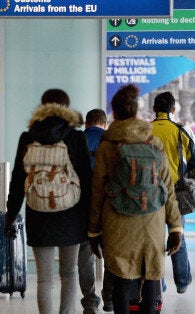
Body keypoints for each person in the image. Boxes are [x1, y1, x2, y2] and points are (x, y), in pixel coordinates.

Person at [89, 84, 183, 314]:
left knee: (121, 278)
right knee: (151, 274)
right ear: (136, 112)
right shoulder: (153, 141)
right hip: (151, 217)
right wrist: (175, 228)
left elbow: (98, 190)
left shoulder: (107, 144)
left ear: (115, 112)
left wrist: (93, 231)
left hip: (117, 220)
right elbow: (167, 188)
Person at [6, 89, 92, 313]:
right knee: (69, 272)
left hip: (38, 211)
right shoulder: (75, 137)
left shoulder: (28, 137)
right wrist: (90, 218)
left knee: (44, 279)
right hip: (71, 213)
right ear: (66, 108)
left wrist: (11, 214)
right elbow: (86, 179)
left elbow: (18, 179)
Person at [151, 92, 195, 295]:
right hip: (176, 192)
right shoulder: (182, 131)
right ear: (173, 110)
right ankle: (182, 283)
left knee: (154, 239)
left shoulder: (146, 130)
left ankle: (158, 284)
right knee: (178, 235)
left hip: (151, 191)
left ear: (155, 109)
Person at [80, 108, 108, 313]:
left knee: (85, 256)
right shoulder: (111, 141)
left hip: (82, 207)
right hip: (108, 206)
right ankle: (110, 297)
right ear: (104, 124)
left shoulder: (76, 141)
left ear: (86, 124)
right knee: (112, 253)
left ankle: (90, 301)